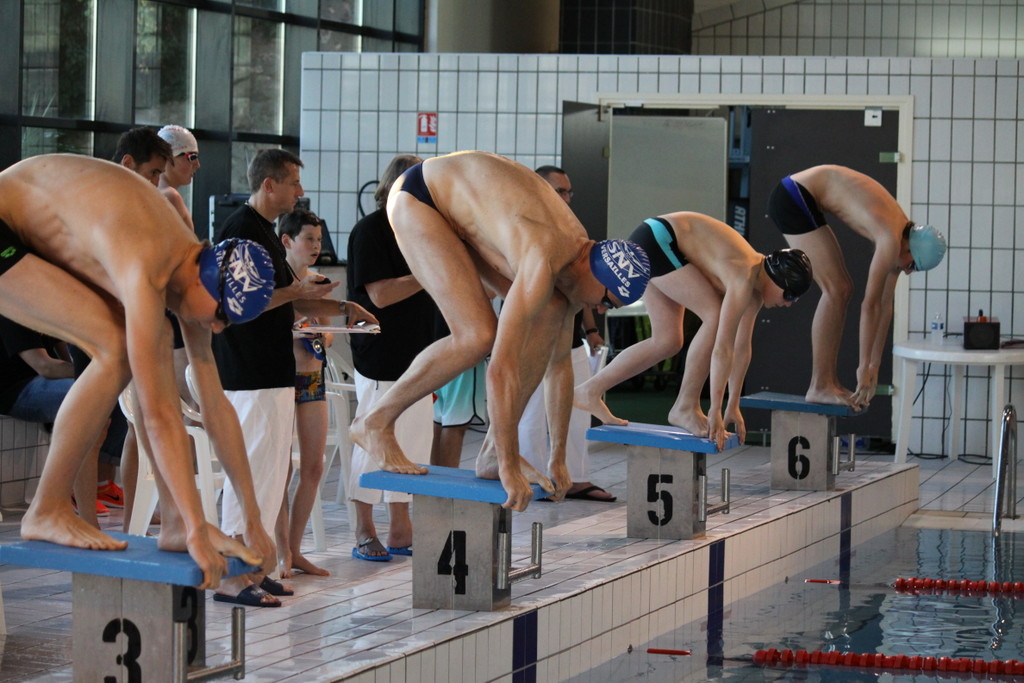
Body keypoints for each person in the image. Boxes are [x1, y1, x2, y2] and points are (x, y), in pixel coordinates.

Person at [0, 153, 279, 589]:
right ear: (205, 279)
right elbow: (158, 414)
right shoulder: (146, 263)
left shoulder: (193, 268)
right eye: (222, 315)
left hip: (33, 224)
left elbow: (215, 404)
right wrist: (198, 528)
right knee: (115, 348)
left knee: (136, 345)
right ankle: (47, 507)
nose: (218, 328)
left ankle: (172, 524)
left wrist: (254, 519)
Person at [350, 150, 651, 511]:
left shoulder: (574, 269)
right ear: (595, 271)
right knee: (477, 336)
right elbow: (500, 368)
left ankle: (493, 451)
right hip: (420, 196)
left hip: (459, 208)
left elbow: (559, 366)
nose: (600, 310)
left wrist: (558, 457)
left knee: (550, 311)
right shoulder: (544, 258)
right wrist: (511, 465)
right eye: (606, 301)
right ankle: (375, 421)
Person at [212, 149, 376, 602]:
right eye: (293, 183)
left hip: (271, 371)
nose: (299, 192)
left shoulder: (264, 230)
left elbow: (289, 297)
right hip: (248, 372)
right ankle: (231, 575)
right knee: (249, 473)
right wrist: (296, 291)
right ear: (269, 185)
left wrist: (343, 308)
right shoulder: (241, 230)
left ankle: (254, 566)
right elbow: (238, 303)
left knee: (269, 475)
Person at [575, 212, 813, 451]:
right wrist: (715, 408)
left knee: (667, 341)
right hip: (659, 239)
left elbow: (741, 349)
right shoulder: (743, 278)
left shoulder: (754, 292)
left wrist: (733, 404)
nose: (788, 303)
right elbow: (723, 348)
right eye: (790, 295)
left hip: (657, 240)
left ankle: (589, 390)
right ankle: (686, 405)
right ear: (778, 280)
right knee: (714, 315)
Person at [767, 165, 947, 409]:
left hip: (804, 195)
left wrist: (874, 365)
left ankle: (828, 382)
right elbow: (870, 306)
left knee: (842, 289)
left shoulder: (901, 237)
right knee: (836, 289)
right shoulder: (890, 239)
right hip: (794, 195)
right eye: (913, 265)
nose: (908, 271)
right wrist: (863, 366)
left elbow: (885, 307)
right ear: (909, 248)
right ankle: (819, 385)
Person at [346, 154, 437, 561]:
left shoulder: (419, 230)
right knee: (373, 438)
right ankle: (363, 528)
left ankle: (401, 526)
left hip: (420, 352)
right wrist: (428, 273)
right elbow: (381, 295)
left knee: (414, 441)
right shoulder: (371, 230)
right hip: (380, 353)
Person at [519, 165, 614, 502]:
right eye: (560, 191)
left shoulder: (574, 231)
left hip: (567, 334)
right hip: (530, 333)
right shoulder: (523, 226)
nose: (567, 198)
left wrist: (591, 330)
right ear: (541, 190)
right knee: (530, 413)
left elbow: (582, 286)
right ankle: (533, 477)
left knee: (576, 409)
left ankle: (575, 478)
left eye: (569, 191)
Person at [276, 208, 333, 577]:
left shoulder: (319, 281)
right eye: (308, 239)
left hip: (312, 379)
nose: (315, 246)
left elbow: (329, 335)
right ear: (287, 241)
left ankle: (295, 549)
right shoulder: (278, 283)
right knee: (279, 470)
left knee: (313, 465)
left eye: (319, 239)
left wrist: (318, 333)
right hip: (281, 378)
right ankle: (281, 550)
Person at [157, 125, 201, 232]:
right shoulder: (171, 196)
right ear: (169, 158)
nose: (197, 164)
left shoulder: (149, 191)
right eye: (192, 157)